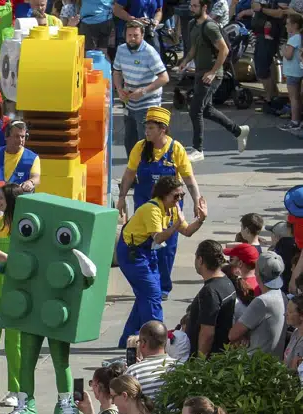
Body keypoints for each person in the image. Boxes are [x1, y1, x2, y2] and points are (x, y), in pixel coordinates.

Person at [116, 108, 201, 300]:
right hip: (144, 206)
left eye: (151, 128)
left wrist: (197, 200)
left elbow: (189, 179)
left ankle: (163, 287)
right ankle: (147, 283)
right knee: (142, 244)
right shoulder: (140, 147)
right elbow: (129, 174)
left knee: (166, 249)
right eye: (146, 127)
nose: (146, 131)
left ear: (163, 129)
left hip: (169, 209)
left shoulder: (176, 149)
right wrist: (121, 197)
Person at [117, 176, 208, 345]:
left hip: (147, 252)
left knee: (147, 294)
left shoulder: (172, 208)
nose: (179, 199)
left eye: (182, 196)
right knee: (152, 295)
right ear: (163, 195)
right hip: (132, 254)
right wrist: (175, 225)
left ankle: (128, 339)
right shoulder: (151, 209)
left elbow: (187, 231)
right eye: (176, 196)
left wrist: (201, 219)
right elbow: (158, 238)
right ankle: (157, 342)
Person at [181, 0, 252, 160]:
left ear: (204, 7)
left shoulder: (210, 26)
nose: (192, 9)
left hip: (212, 74)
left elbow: (224, 50)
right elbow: (194, 47)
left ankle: (198, 149)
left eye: (195, 6)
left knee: (195, 110)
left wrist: (213, 72)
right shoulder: (193, 24)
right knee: (207, 110)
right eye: (191, 5)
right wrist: (185, 61)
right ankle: (238, 131)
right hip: (200, 72)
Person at [113, 23, 171, 155]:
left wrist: (144, 91)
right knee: (130, 142)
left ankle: (147, 166)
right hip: (129, 102)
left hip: (148, 103)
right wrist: (119, 89)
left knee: (146, 142)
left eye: (136, 35)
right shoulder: (121, 49)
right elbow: (116, 72)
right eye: (129, 35)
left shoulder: (149, 52)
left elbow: (164, 78)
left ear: (142, 35)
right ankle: (133, 166)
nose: (132, 39)